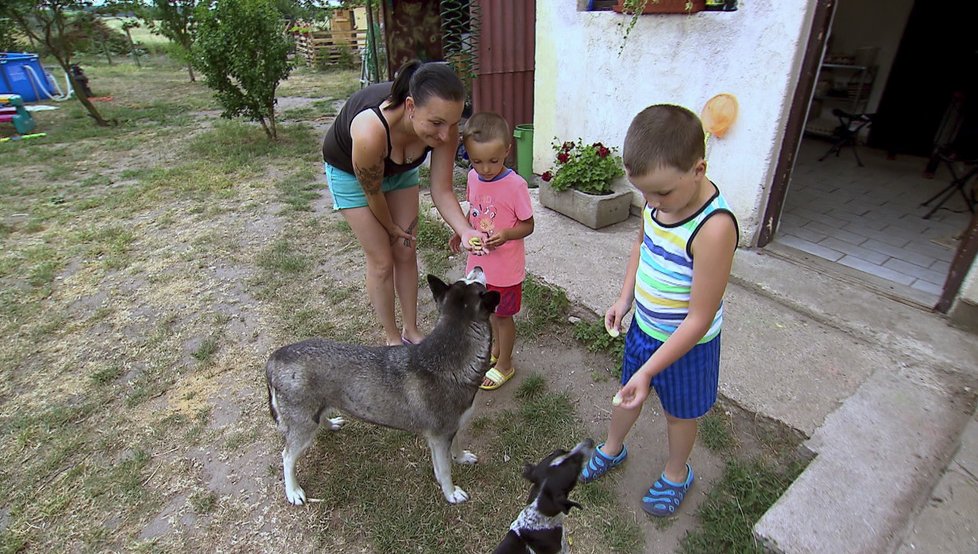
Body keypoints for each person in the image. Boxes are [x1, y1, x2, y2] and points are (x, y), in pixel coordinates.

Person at [579, 105, 739, 518]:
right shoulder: (658, 203)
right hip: (644, 330)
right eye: (644, 193)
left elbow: (700, 318)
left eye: (662, 193)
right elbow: (642, 246)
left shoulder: (714, 228)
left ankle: (676, 472)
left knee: (679, 414)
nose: (651, 203)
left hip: (689, 346)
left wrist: (651, 370)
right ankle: (612, 448)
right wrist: (624, 298)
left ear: (698, 169)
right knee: (626, 394)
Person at [322, 60, 483, 346]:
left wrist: (465, 229)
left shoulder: (444, 126)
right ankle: (392, 339)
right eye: (436, 124)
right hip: (352, 173)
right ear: (410, 107)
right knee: (382, 260)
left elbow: (442, 189)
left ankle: (411, 330)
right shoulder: (370, 132)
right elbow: (373, 193)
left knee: (406, 253)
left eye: (453, 123)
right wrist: (391, 227)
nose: (446, 136)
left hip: (401, 169)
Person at [449, 112, 534, 390]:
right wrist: (460, 231)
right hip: (480, 266)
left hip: (506, 270)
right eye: (477, 161)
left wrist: (508, 233)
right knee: (488, 312)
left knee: (503, 315)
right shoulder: (473, 178)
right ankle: (498, 352)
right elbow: (474, 211)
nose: (485, 168)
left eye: (494, 161)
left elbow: (528, 225)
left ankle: (505, 364)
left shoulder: (515, 185)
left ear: (507, 151)